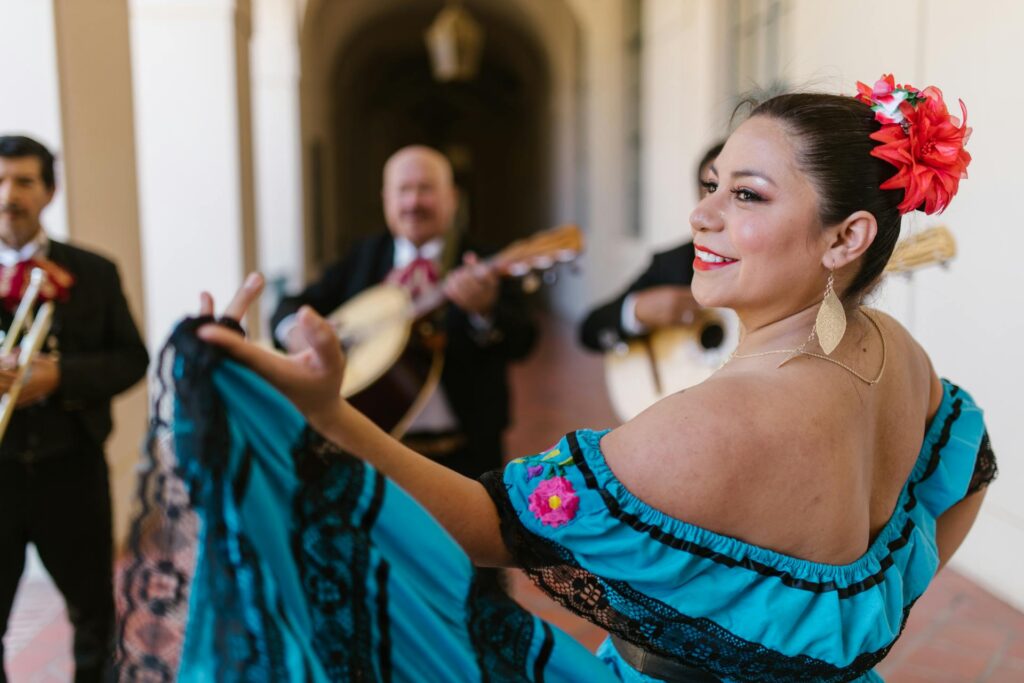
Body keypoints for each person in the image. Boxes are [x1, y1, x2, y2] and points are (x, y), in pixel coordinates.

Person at [121, 75, 993, 681]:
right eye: (712, 183)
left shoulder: (714, 424)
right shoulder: (893, 353)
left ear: (846, 239)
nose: (702, 213)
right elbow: (971, 462)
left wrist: (325, 411)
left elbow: (486, 523)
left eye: (748, 195)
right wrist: (881, 611)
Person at [270, 145, 536, 480]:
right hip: (370, 451)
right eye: (403, 190)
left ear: (452, 197)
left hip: (466, 454)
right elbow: (290, 305)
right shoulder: (365, 255)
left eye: (425, 189)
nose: (413, 202)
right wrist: (297, 332)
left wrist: (484, 312)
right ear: (387, 199)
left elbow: (524, 340)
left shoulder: (484, 263)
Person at [0, 136, 149, 682]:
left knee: (94, 616)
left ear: (50, 191)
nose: (7, 195)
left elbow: (133, 359)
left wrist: (61, 375)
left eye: (22, 182)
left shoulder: (95, 272)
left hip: (71, 469)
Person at [579, 141, 723, 352]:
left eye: (744, 194)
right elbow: (590, 330)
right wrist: (637, 311)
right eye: (710, 188)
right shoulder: (674, 263)